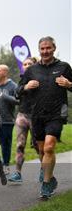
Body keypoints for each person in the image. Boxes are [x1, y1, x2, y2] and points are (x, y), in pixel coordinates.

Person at [22, 36, 72, 199]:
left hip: (56, 113)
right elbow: (18, 91)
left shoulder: (64, 67)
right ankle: (50, 178)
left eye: (48, 48)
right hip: (36, 114)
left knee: (50, 147)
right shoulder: (31, 70)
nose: (45, 51)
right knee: (42, 150)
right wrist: (26, 86)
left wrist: (69, 84)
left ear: (54, 48)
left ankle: (45, 183)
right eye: (42, 49)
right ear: (39, 50)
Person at [8, 57, 40, 183]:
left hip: (37, 116)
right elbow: (16, 93)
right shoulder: (22, 79)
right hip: (22, 115)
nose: (26, 66)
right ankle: (17, 173)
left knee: (39, 146)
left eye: (29, 64)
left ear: (35, 65)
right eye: (24, 64)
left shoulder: (41, 78)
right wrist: (25, 87)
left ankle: (44, 171)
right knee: (20, 145)